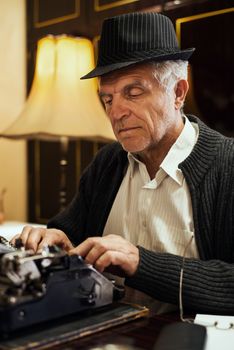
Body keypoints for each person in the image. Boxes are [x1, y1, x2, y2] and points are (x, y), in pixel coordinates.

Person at [12, 12, 234, 314]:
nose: (116, 112)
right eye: (108, 99)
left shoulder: (227, 166)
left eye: (133, 92)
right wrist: (55, 241)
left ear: (178, 92)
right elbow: (69, 234)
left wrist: (141, 263)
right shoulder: (107, 162)